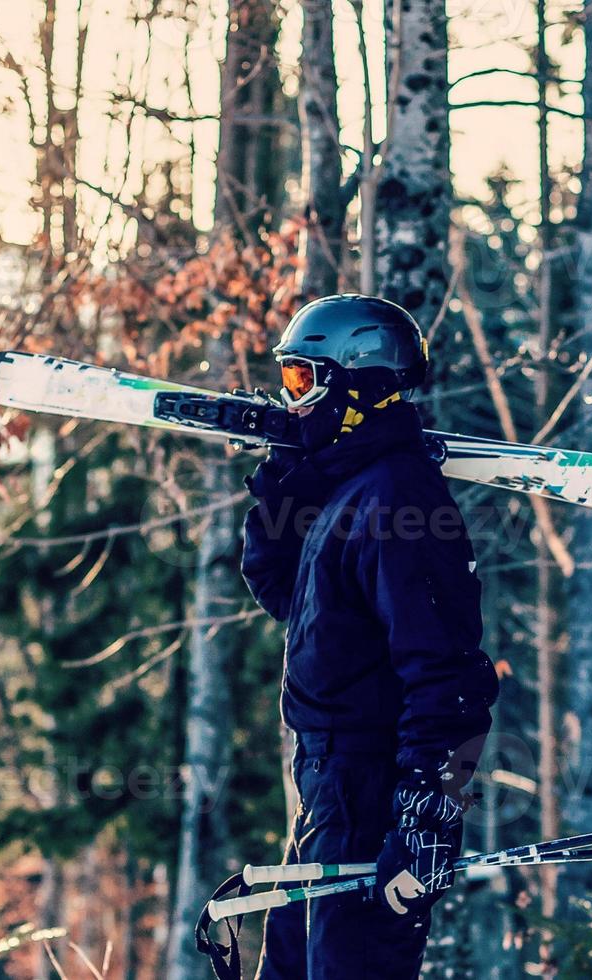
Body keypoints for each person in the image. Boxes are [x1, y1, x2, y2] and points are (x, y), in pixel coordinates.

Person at [240, 294, 499, 979]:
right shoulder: (347, 491)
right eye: (287, 379)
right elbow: (291, 601)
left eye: (303, 379)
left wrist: (426, 814)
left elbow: (449, 673)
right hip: (328, 791)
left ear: (359, 386)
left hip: (373, 792)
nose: (291, 398)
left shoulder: (400, 499)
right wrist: (282, 483)